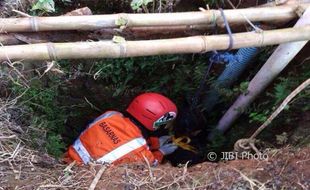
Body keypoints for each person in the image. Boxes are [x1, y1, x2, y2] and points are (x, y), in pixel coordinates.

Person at [66, 92, 178, 166]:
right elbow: (151, 165)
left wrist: (156, 143)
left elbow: (120, 139)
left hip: (68, 159)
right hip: (85, 174)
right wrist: (162, 152)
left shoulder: (110, 115)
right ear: (154, 123)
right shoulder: (138, 151)